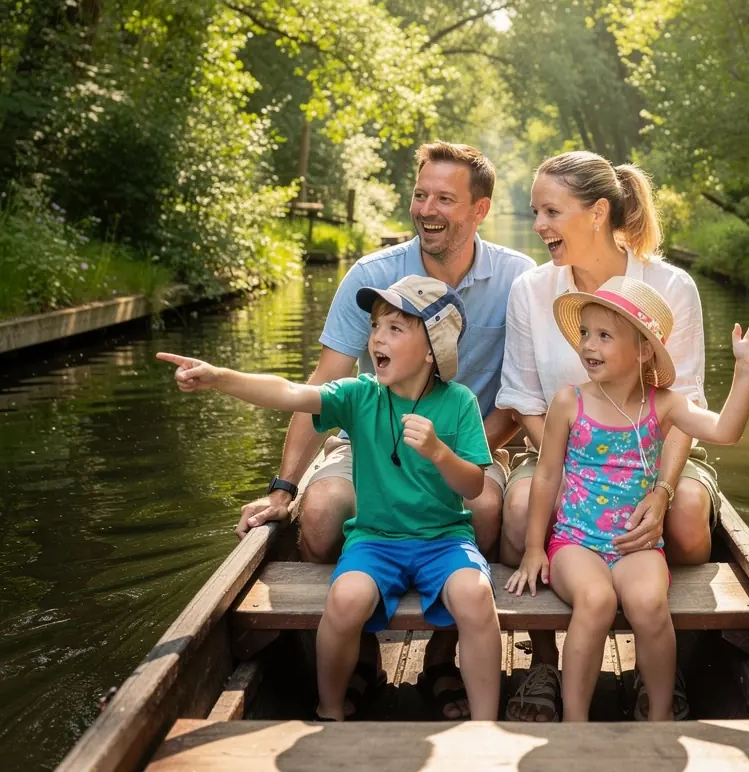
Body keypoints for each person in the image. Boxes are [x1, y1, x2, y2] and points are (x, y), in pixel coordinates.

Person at [235, 141, 533, 718]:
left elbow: (522, 397)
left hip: (470, 441)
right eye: (421, 195)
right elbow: (321, 384)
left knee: (490, 510)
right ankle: (362, 654)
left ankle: (447, 659)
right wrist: (282, 488)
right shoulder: (373, 274)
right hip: (367, 440)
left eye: (446, 198)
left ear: (479, 210)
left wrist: (447, 458)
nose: (428, 209)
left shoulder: (519, 279)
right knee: (321, 514)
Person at [157, 275, 503, 721]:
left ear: (433, 347)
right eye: (376, 325)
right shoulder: (359, 395)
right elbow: (289, 393)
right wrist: (220, 378)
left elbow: (473, 486)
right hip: (376, 540)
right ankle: (331, 710)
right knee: (344, 600)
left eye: (396, 328)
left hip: (444, 539)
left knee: (475, 596)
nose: (377, 336)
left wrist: (438, 452)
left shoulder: (459, 402)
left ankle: (485, 721)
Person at [497, 150, 718, 722]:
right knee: (522, 509)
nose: (539, 226)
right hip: (557, 447)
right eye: (535, 212)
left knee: (689, 514)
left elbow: (684, 402)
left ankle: (663, 661)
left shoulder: (671, 285)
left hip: (653, 450)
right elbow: (523, 400)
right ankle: (543, 661)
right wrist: (575, 471)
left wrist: (661, 490)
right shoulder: (530, 289)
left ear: (597, 213)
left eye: (551, 212)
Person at [505, 277, 749, 722]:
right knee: (594, 600)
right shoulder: (569, 402)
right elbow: (547, 475)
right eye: (585, 334)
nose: (588, 346)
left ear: (643, 349)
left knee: (650, 605)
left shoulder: (665, 405)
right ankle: (575, 723)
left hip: (636, 544)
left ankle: (660, 717)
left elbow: (726, 431)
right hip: (575, 541)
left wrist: (746, 370)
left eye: (604, 336)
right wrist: (535, 547)